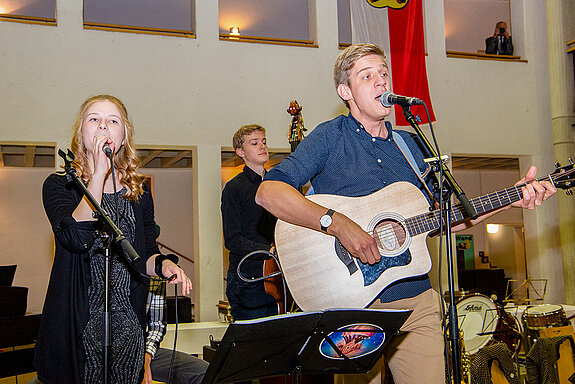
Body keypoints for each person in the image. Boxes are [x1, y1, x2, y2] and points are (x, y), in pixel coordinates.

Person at [255, 44, 556, 384]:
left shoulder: (411, 146)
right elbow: (269, 192)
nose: (381, 82)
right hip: (355, 308)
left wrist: (511, 199)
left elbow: (442, 221)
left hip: (417, 302)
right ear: (345, 91)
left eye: (383, 73)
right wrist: (337, 224)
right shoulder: (329, 137)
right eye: (366, 76)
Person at [34, 94, 192, 384]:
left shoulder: (139, 193)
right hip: (77, 330)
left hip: (128, 330)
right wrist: (98, 174)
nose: (103, 126)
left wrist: (164, 266)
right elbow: (75, 237)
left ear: (124, 135)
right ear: (81, 134)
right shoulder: (59, 186)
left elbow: (145, 253)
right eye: (94, 119)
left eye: (112, 120)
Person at [221, 124, 278, 321]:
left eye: (263, 141)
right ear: (240, 152)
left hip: (277, 277)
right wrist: (268, 250)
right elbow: (232, 240)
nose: (262, 146)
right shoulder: (234, 188)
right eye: (254, 143)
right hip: (248, 280)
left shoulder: (277, 184)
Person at [142, 279, 209, 384]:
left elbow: (157, 325)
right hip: (112, 351)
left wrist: (146, 358)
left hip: (141, 350)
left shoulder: (156, 276)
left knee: (205, 373)